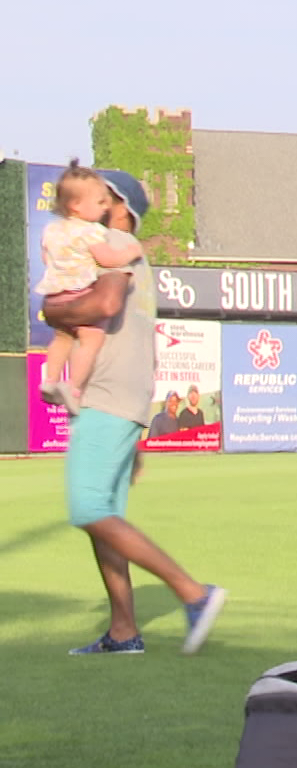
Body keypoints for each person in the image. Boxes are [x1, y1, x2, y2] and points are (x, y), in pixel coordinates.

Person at [41, 172, 225, 656]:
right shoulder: (138, 260)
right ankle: (124, 631)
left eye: (105, 195)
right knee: (107, 519)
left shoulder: (115, 242)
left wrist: (51, 312)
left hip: (106, 396)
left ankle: (193, 593)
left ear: (120, 205)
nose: (95, 204)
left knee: (88, 510)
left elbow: (102, 302)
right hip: (125, 399)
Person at [35, 162, 145, 414]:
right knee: (91, 339)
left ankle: (49, 380)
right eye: (99, 202)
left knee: (62, 338)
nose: (105, 207)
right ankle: (74, 387)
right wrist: (131, 251)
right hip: (79, 294)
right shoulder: (91, 231)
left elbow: (45, 259)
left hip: (53, 297)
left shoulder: (51, 229)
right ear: (76, 205)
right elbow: (108, 259)